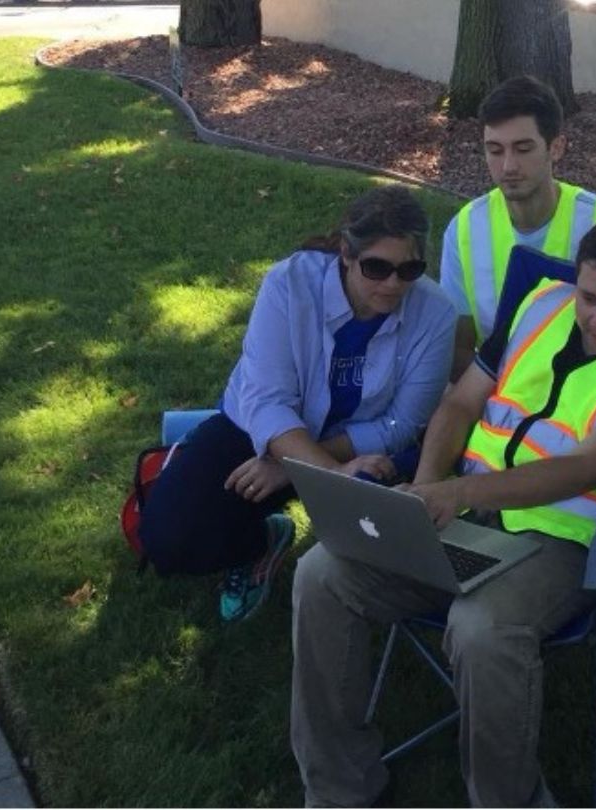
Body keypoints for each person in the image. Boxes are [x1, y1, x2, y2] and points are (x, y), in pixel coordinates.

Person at [290, 218, 596, 807]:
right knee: (322, 574)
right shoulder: (540, 306)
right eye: (588, 296)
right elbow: (459, 404)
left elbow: (584, 470)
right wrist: (426, 488)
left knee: (482, 629)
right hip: (466, 514)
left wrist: (456, 496)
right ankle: (338, 789)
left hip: (570, 541)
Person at [139, 186, 457, 622]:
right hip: (267, 430)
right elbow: (267, 402)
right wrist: (323, 471)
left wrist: (294, 466)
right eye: (377, 267)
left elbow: (403, 423)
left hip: (359, 446)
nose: (393, 284)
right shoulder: (288, 283)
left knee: (389, 550)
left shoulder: (436, 313)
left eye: (409, 270)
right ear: (346, 253)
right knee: (166, 539)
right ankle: (262, 542)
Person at [441, 75, 596, 378]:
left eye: (523, 149)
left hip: (581, 396)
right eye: (495, 150)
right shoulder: (464, 229)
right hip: (495, 393)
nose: (508, 166)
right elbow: (459, 345)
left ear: (556, 147)